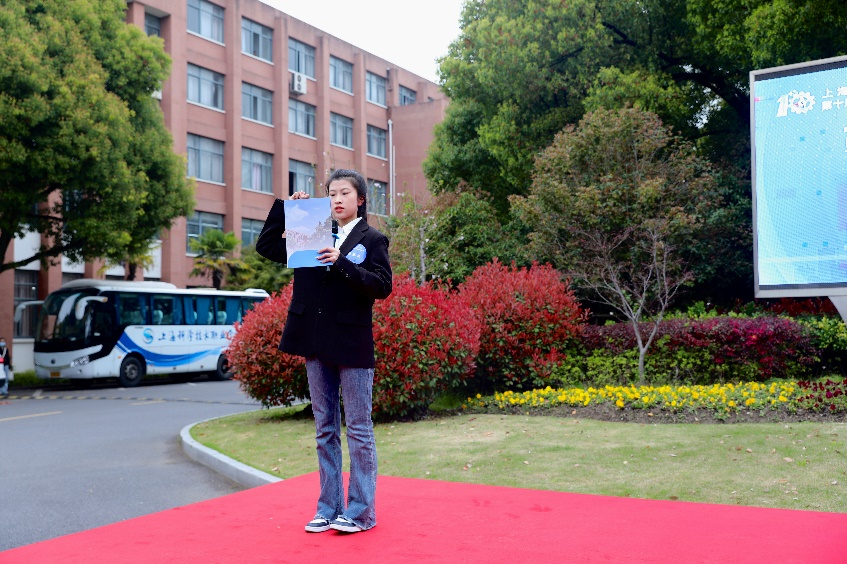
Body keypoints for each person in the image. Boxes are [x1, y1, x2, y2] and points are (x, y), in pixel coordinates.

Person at [256, 169, 392, 534]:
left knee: (359, 430)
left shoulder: (372, 238)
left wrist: (341, 262)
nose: (337, 199)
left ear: (359, 199)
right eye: (331, 193)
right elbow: (267, 247)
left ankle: (361, 513)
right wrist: (287, 210)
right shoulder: (312, 229)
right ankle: (329, 509)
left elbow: (382, 286)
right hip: (314, 342)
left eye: (344, 193)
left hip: (352, 342)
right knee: (325, 429)